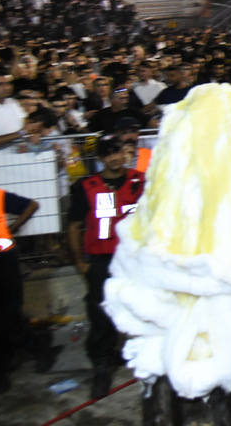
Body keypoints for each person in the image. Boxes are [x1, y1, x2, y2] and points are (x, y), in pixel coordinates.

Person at [67, 135, 146, 399]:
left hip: (134, 257)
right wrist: (80, 262)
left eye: (118, 152)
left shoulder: (141, 180)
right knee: (100, 311)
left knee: (138, 305)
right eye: (108, 153)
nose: (115, 157)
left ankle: (137, 353)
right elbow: (75, 226)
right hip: (101, 258)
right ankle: (102, 362)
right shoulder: (86, 186)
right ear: (100, 158)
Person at [0, 182, 51, 394]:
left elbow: (31, 205)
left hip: (4, 262)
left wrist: (14, 228)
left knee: (9, 314)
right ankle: (34, 343)